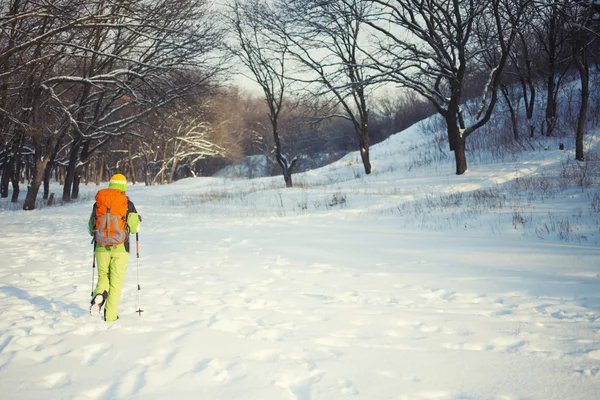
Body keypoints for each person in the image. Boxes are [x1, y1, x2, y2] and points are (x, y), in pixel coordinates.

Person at [88, 173, 141, 321]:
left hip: (100, 246)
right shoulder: (127, 203)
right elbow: (134, 227)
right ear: (123, 186)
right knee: (116, 283)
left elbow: (90, 226)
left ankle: (99, 295)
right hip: (121, 248)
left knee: (103, 276)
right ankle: (111, 317)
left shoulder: (99, 202)